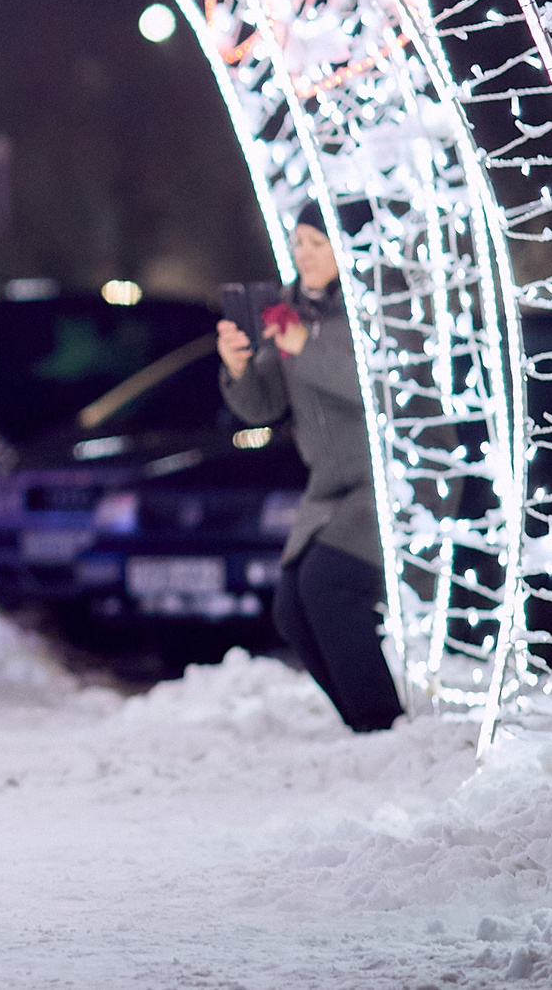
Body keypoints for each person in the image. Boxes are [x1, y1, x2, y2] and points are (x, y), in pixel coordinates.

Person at [216, 203, 403, 734]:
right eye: (298, 243)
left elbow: (383, 388)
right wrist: (238, 370)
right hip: (329, 490)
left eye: (316, 244)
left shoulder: (384, 305)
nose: (303, 255)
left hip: (391, 481)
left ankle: (381, 724)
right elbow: (264, 406)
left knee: (328, 584)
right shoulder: (289, 313)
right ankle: (364, 725)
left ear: (350, 247)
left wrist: (308, 347)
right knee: (290, 610)